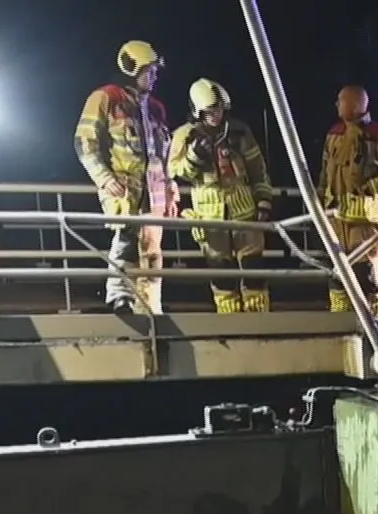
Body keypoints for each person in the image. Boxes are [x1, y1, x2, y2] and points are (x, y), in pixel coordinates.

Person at [75, 41, 176, 315]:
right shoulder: (106, 98)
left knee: (152, 250)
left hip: (152, 190)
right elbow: (85, 142)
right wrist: (105, 179)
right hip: (123, 187)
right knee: (125, 241)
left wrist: (170, 187)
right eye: (149, 71)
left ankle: (150, 305)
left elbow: (163, 154)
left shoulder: (155, 107)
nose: (154, 77)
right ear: (133, 69)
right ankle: (120, 298)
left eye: (155, 72)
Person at [169, 80, 274, 313]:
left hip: (245, 213)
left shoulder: (239, 130)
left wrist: (264, 201)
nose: (216, 115)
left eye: (219, 109)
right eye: (210, 111)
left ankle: (259, 323)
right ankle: (230, 322)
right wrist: (195, 156)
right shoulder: (184, 136)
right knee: (221, 275)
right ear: (198, 110)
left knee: (254, 271)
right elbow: (174, 174)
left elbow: (258, 168)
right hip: (209, 218)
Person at [320, 85, 378, 319]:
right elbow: (324, 173)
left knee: (367, 279)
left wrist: (369, 188)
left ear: (355, 104)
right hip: (336, 220)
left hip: (365, 222)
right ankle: (340, 325)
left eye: (340, 100)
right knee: (337, 278)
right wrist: (321, 202)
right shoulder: (334, 133)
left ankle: (375, 326)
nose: (336, 104)